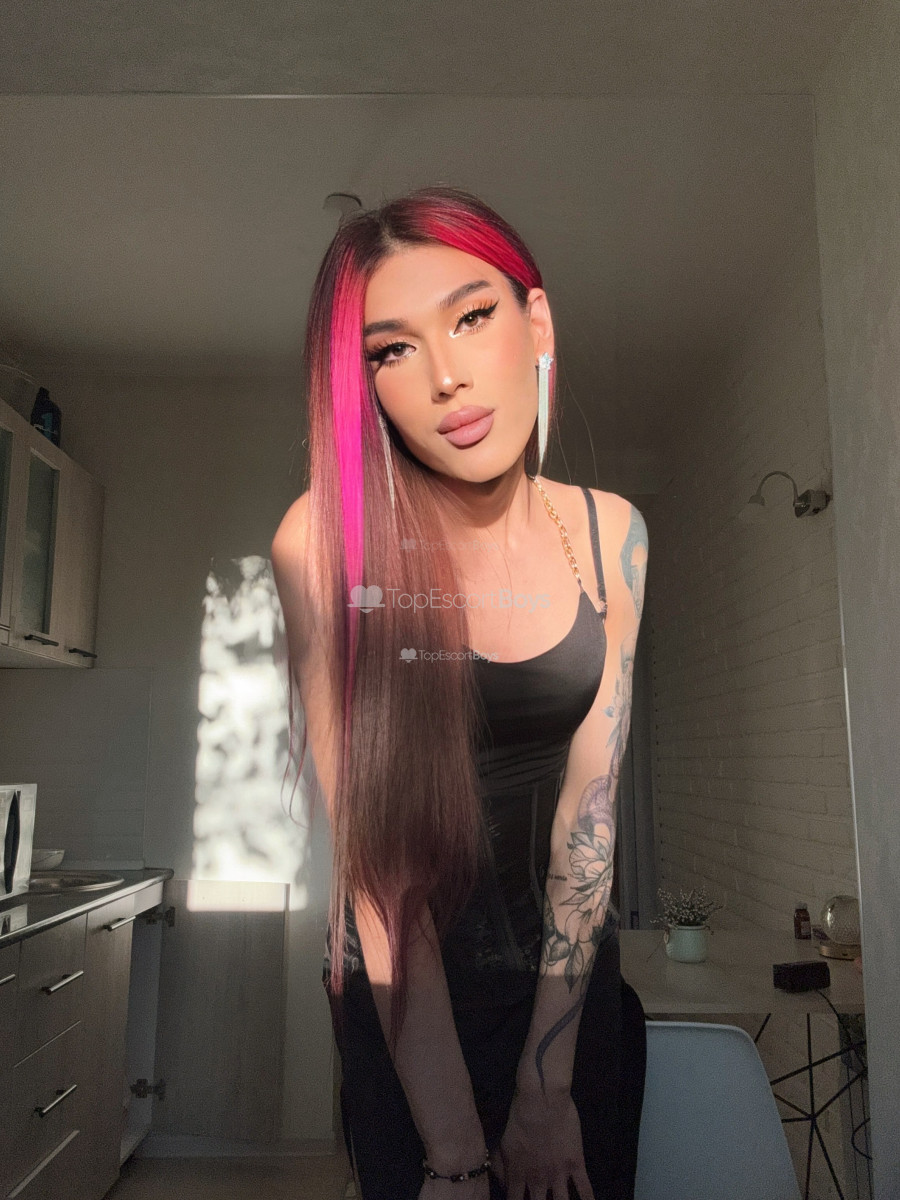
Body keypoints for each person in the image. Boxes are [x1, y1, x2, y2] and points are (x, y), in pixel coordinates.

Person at [271, 185, 649, 1200]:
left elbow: (589, 814)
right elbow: (378, 873)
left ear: (536, 322)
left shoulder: (611, 532)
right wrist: (454, 1149)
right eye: (392, 350)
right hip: (412, 1023)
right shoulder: (324, 541)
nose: (444, 376)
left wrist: (546, 1088)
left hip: (569, 1003)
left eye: (472, 316)